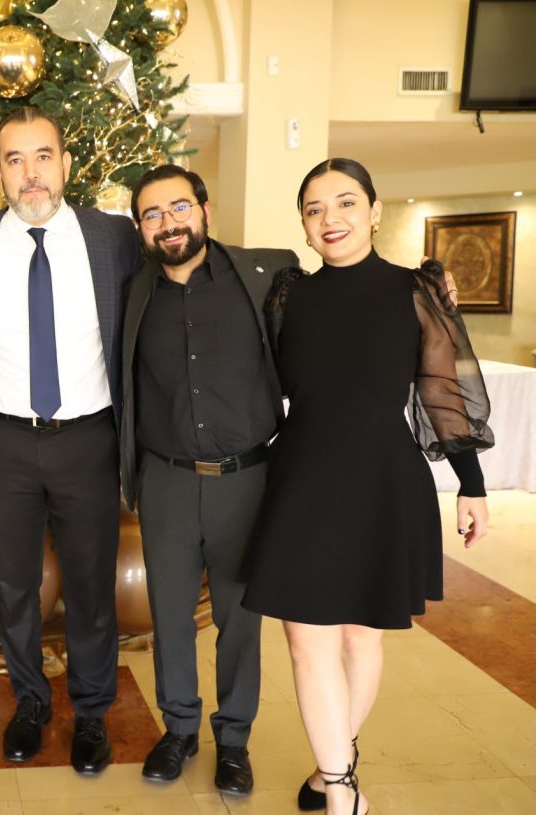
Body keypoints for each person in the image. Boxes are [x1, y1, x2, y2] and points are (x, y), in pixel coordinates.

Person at [242, 158, 493, 815]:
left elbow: (445, 391)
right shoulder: (287, 295)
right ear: (303, 224)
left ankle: (332, 766)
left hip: (383, 478)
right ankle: (343, 789)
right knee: (306, 641)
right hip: (302, 479)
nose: (330, 219)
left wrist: (471, 484)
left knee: (359, 636)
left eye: (346, 202)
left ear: (375, 212)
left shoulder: (416, 289)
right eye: (315, 208)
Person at [0, 106, 144, 775]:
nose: (30, 173)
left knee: (91, 586)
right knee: (16, 586)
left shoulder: (113, 238)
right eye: (14, 159)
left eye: (42, 157)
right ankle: (31, 701)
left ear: (66, 164)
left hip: (88, 441)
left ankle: (91, 711)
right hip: (4, 444)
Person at [119, 165, 299, 794]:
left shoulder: (265, 275)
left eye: (178, 207)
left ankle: (234, 740)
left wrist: (417, 289)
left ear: (203, 209)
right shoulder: (132, 293)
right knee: (168, 616)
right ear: (140, 227)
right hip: (165, 480)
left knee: (239, 619)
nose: (168, 223)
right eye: (152, 214)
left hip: (245, 480)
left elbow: (334, 312)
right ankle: (178, 729)